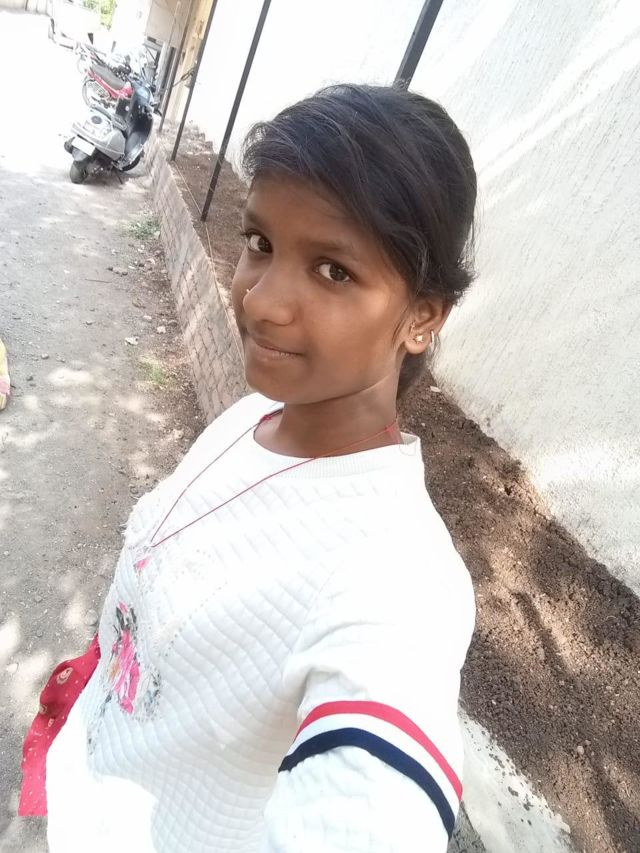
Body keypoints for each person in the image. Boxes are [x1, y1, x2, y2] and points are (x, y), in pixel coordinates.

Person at [25, 83, 477, 851]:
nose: (261, 300)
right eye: (261, 242)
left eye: (333, 270)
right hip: (80, 796)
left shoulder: (397, 574)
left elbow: (372, 806)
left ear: (422, 317)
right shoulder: (252, 419)